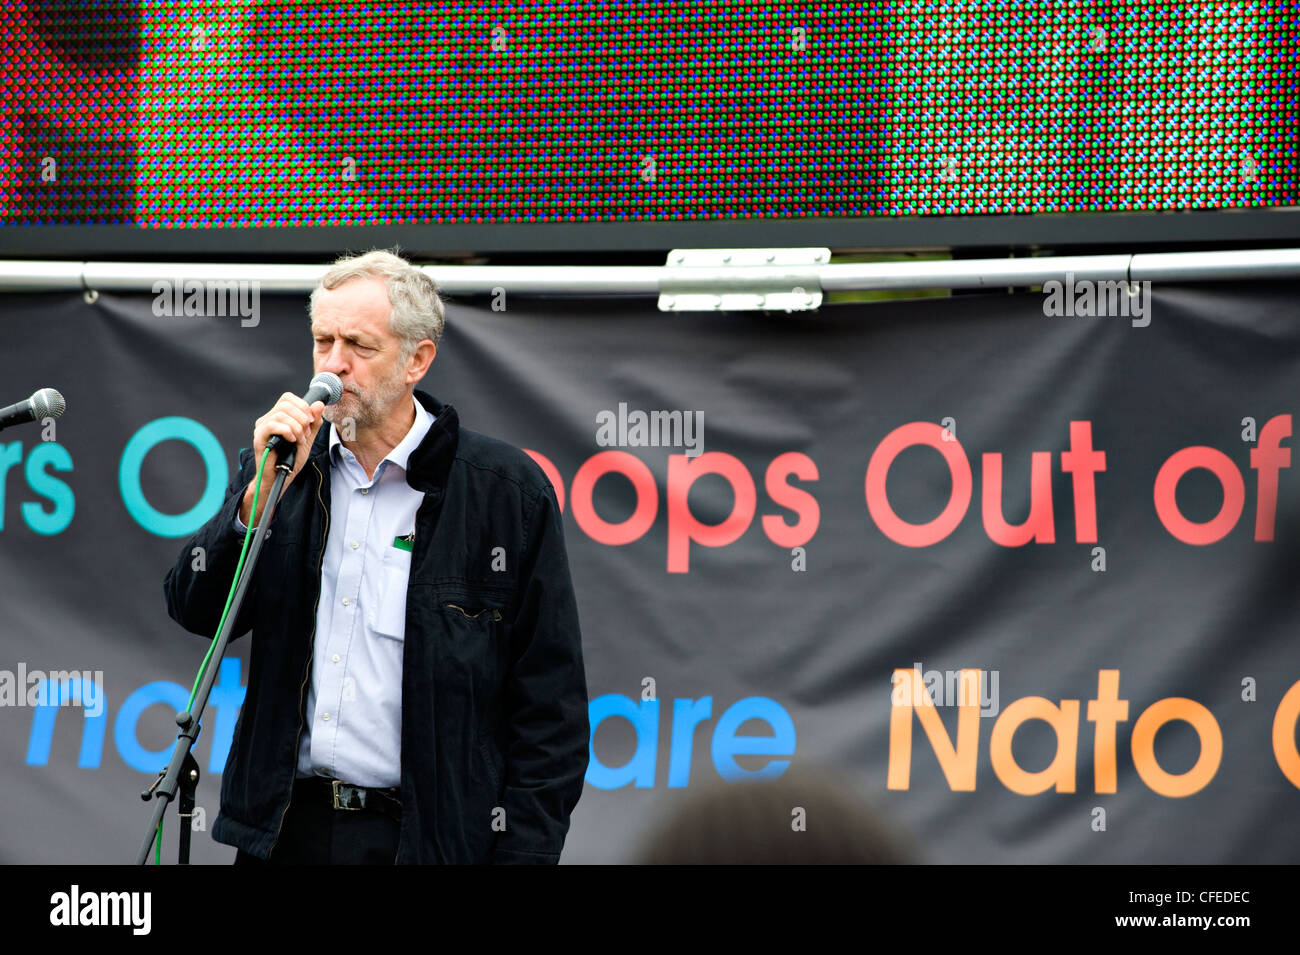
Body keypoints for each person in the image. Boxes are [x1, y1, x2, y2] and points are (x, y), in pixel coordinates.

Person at [163, 249, 589, 864]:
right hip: (286, 833)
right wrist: (256, 505)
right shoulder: (282, 471)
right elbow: (194, 607)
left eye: (358, 346)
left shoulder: (505, 492)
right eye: (322, 341)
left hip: (423, 842)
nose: (332, 366)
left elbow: (552, 711)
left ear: (417, 359)